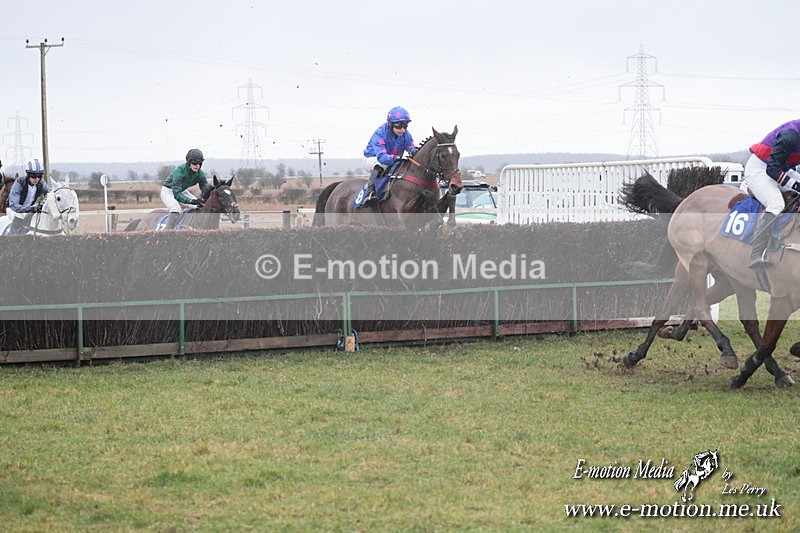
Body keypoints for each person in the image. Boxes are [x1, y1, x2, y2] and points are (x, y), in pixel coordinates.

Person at [742, 120, 800, 268]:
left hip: (781, 168)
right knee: (776, 204)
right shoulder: (790, 136)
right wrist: (796, 186)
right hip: (760, 169)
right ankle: (756, 252)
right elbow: (772, 170)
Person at [362, 106, 416, 202]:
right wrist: (397, 157)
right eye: (398, 126)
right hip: (373, 158)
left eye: (405, 126)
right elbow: (382, 158)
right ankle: (370, 193)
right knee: (379, 166)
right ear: (390, 124)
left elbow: (413, 150)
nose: (402, 129)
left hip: (393, 160)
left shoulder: (406, 135)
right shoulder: (380, 133)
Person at [161, 148, 209, 229]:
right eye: (194, 163)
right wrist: (192, 201)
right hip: (168, 191)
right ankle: (168, 232)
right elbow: (177, 195)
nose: (197, 166)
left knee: (200, 206)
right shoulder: (179, 170)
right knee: (176, 209)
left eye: (199, 163)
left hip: (181, 191)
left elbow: (205, 190)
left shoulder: (200, 174)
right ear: (189, 162)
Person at [6, 158, 50, 234]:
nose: (36, 179)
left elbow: (50, 194)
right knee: (20, 216)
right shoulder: (19, 182)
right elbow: (14, 205)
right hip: (14, 209)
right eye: (33, 176)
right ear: (28, 174)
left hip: (29, 208)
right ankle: (11, 237)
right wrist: (32, 209)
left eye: (39, 176)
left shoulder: (41, 183)